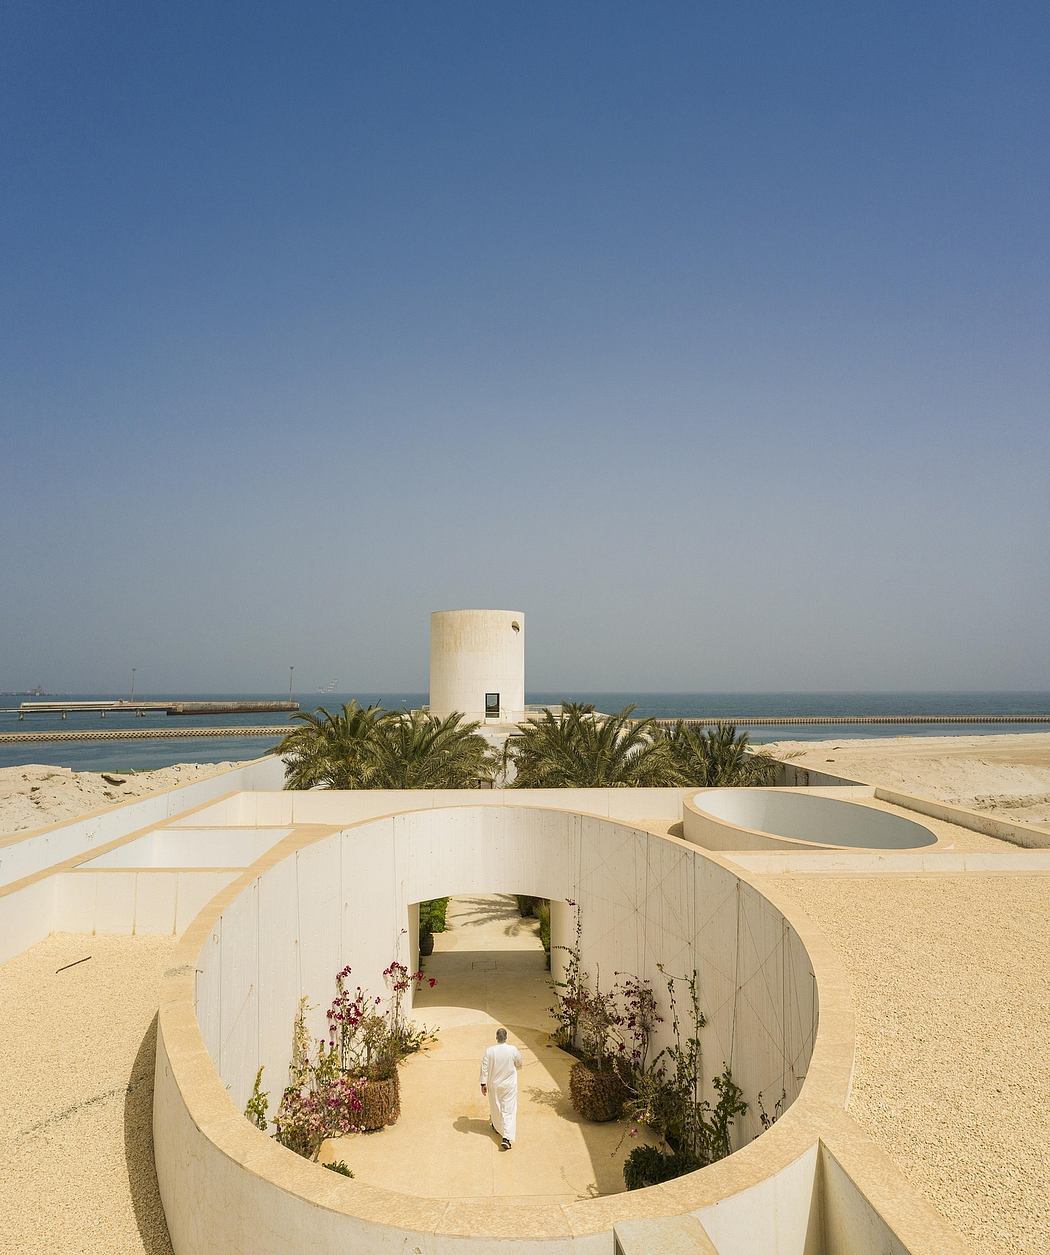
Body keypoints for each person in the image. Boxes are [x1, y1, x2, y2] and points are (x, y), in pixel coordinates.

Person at [479, 1027, 523, 1150]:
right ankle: (506, 1138)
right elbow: (519, 1062)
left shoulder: (489, 1051)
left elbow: (484, 1068)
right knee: (508, 1109)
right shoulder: (512, 1050)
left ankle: (498, 1127)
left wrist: (483, 1084)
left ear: (496, 1037)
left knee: (496, 1106)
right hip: (509, 1085)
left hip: (494, 1085)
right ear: (506, 1037)